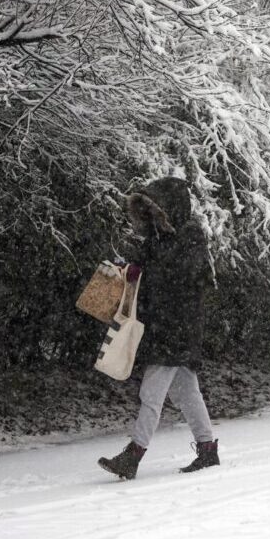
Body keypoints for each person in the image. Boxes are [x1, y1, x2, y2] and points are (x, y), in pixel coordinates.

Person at [97, 177, 219, 480]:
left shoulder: (191, 237)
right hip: (167, 325)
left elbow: (183, 278)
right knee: (186, 391)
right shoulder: (159, 238)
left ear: (170, 208)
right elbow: (151, 270)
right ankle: (207, 450)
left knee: (151, 392)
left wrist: (147, 273)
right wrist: (128, 269)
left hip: (178, 326)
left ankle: (134, 455)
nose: (151, 218)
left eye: (155, 210)